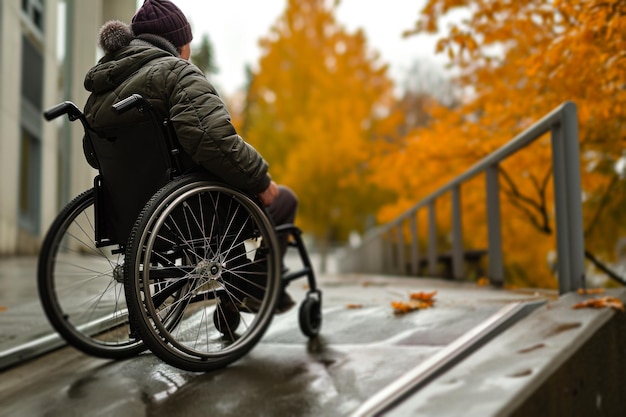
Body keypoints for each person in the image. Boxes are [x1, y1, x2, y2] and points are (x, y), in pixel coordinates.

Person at [82, 0, 295, 313]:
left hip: (130, 213)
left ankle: (237, 291)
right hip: (187, 212)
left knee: (218, 190)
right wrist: (260, 177)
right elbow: (214, 141)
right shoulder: (176, 73)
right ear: (178, 43)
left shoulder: (103, 89)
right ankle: (257, 290)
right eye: (188, 43)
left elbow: (93, 154)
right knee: (282, 200)